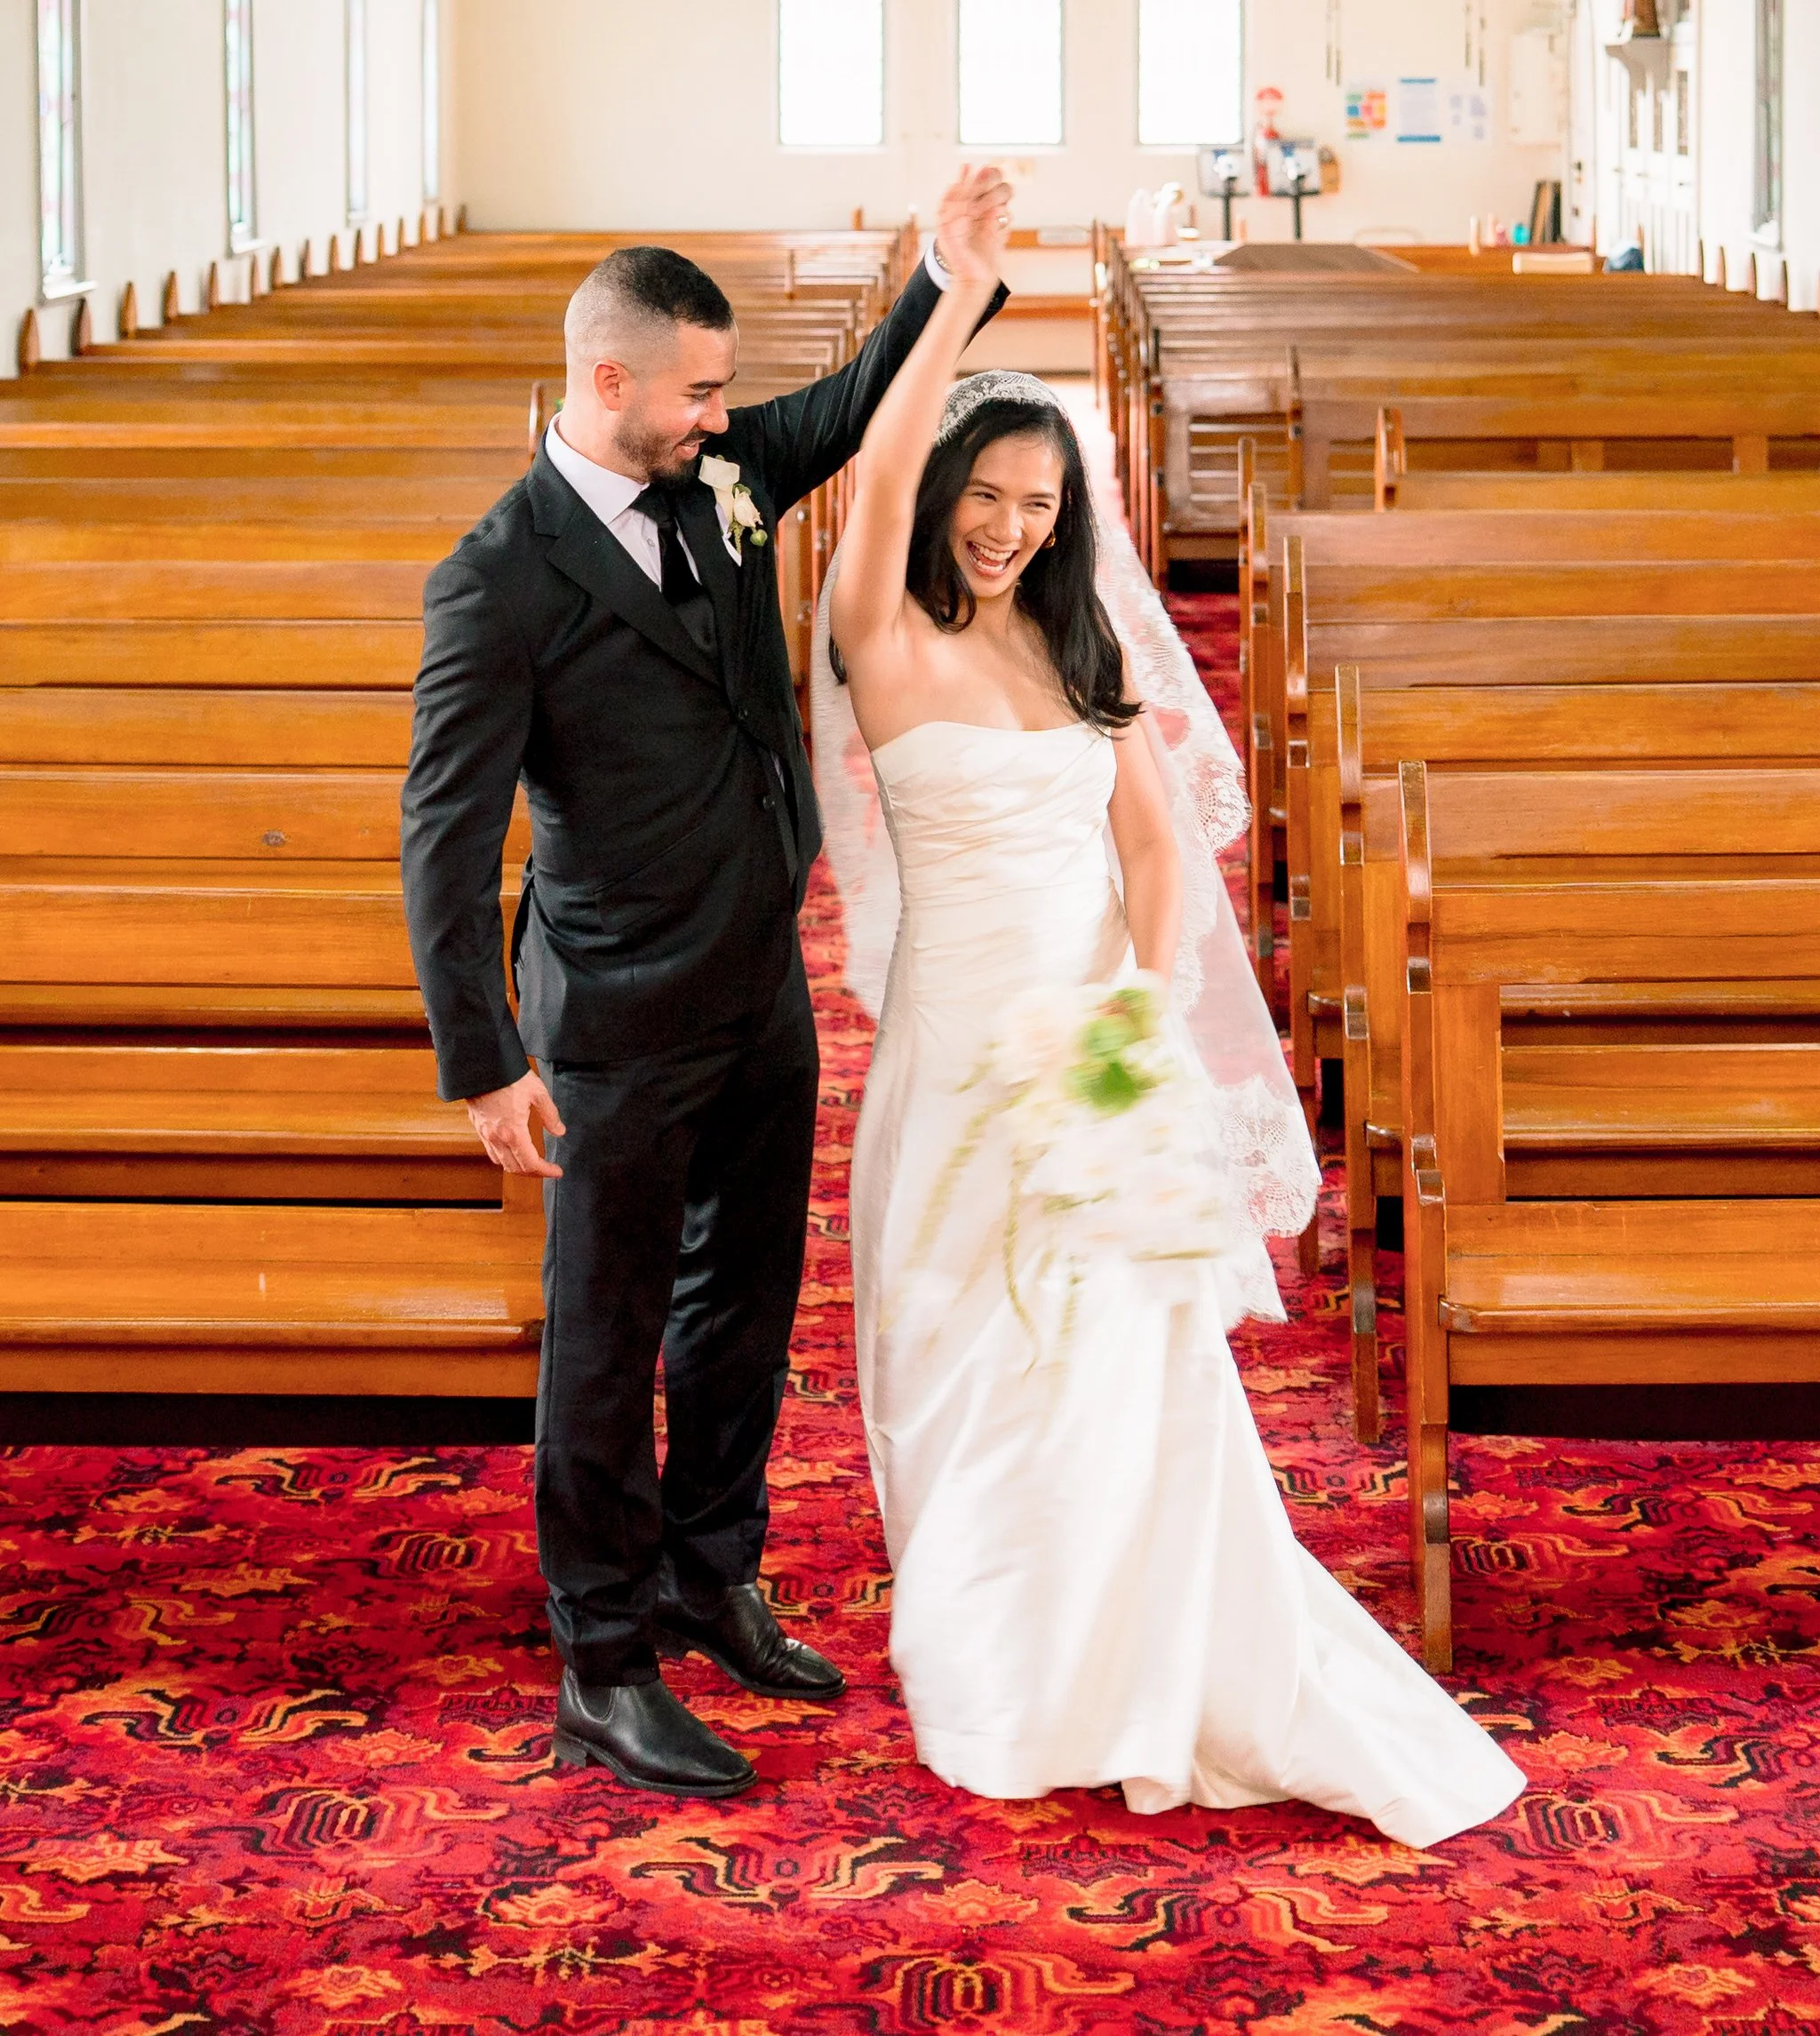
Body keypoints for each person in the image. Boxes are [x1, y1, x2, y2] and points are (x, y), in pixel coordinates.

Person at [818, 201, 1527, 1845]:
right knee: (959, 1357)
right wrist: (957, 298)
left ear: (1070, 525)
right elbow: (877, 467)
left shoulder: (1078, 651)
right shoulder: (888, 639)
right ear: (942, 499)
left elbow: (1152, 847)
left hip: (1089, 1049)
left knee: (1119, 1368)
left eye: (1038, 505)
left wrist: (1134, 1022)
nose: (1005, 527)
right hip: (951, 1065)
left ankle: (1131, 1659)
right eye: (986, 497)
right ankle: (1004, 1657)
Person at [400, 171, 1010, 1800]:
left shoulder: (722, 469)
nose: (725, 414)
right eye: (700, 388)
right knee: (601, 1340)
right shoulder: (500, 576)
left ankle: (708, 1567)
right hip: (608, 1015)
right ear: (610, 383)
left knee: (741, 1303)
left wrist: (947, 278)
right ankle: (602, 1661)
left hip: (755, 976)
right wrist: (486, 1058)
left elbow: (848, 405)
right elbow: (443, 837)